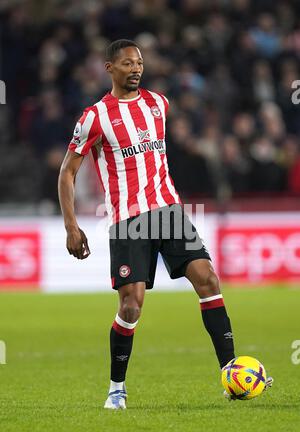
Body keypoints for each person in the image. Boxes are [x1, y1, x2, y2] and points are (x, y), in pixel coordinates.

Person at [58, 39, 271, 410]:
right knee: (131, 306)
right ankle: (116, 389)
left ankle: (231, 373)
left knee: (207, 278)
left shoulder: (159, 104)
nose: (136, 68)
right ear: (110, 68)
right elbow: (67, 172)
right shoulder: (94, 117)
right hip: (128, 220)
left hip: (169, 211)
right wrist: (71, 226)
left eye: (139, 62)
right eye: (127, 63)